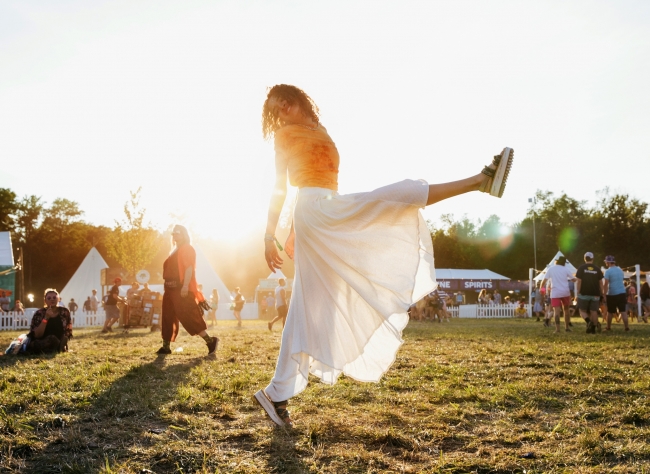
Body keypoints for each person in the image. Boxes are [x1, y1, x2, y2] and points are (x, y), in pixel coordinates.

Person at [253, 84, 514, 427]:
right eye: (276, 107)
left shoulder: (321, 130)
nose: (283, 108)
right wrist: (271, 232)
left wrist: (298, 229)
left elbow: (325, 180)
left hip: (326, 209)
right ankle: (480, 181)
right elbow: (281, 188)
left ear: (299, 99)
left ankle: (276, 393)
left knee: (312, 306)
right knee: (393, 197)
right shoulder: (284, 135)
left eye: (286, 100)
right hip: (315, 212)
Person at [156, 224, 218, 355]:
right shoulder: (173, 250)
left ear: (184, 234)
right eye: (173, 233)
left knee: (189, 317)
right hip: (169, 289)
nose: (174, 235)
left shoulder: (187, 248)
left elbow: (189, 268)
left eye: (177, 232)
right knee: (167, 317)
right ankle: (166, 347)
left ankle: (210, 341)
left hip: (180, 289)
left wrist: (185, 286)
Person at [26, 289, 72, 354]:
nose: (52, 299)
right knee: (47, 340)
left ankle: (58, 347)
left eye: (54, 297)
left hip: (59, 339)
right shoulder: (39, 313)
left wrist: (64, 339)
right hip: (42, 340)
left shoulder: (64, 312)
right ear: (45, 301)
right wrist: (46, 317)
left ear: (58, 299)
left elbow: (68, 331)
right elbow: (36, 335)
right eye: (49, 298)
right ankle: (57, 349)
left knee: (54, 339)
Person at [541, 256, 577, 333]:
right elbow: (573, 280)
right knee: (566, 310)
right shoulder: (566, 269)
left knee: (556, 311)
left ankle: (557, 329)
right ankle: (567, 328)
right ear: (564, 263)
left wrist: (542, 289)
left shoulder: (551, 269)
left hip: (555, 292)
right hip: (565, 292)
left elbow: (544, 281)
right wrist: (578, 276)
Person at [575, 251, 604, 334]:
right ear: (593, 259)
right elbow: (601, 283)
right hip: (595, 294)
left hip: (584, 293)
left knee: (582, 311)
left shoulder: (581, 268)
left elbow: (579, 281)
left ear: (585, 258)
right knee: (593, 311)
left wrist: (578, 292)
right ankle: (593, 329)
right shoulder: (597, 268)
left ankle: (588, 322)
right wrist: (602, 294)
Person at [603, 255, 629, 331]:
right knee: (623, 311)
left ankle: (608, 327)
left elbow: (606, 284)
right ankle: (626, 327)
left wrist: (604, 294)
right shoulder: (620, 270)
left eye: (606, 262)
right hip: (622, 292)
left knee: (610, 311)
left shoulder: (608, 271)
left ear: (608, 262)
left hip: (612, 293)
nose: (606, 263)